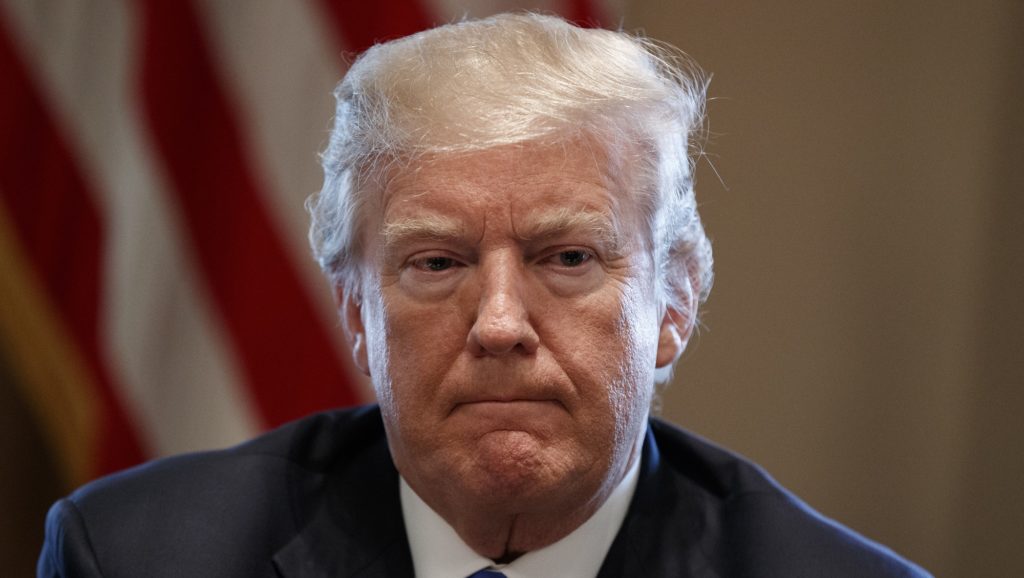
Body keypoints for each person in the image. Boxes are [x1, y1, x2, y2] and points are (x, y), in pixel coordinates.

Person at [38, 12, 930, 578]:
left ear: (674, 305)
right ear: (357, 313)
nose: (499, 324)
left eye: (568, 257)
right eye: (436, 263)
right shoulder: (132, 553)